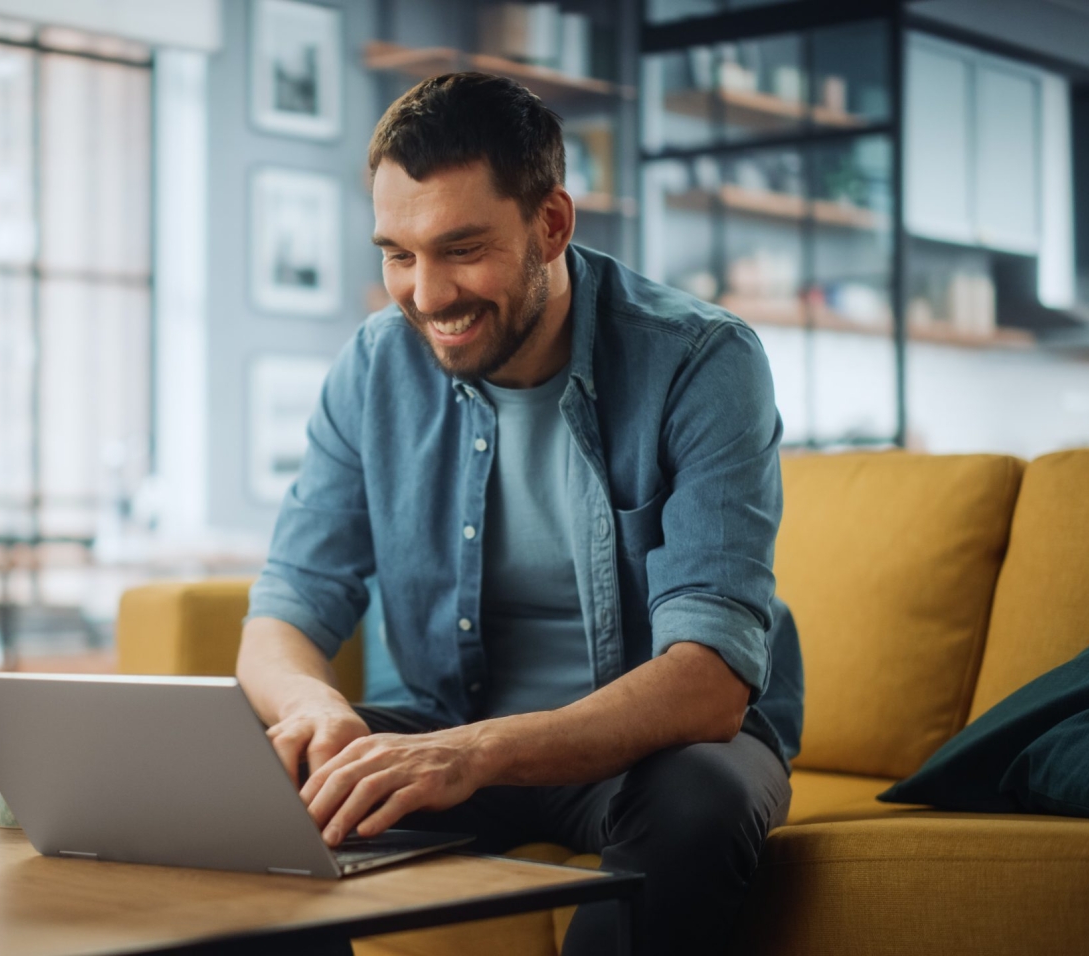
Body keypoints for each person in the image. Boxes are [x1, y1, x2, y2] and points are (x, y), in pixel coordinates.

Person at [236, 72, 803, 956]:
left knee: (703, 806)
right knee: (244, 795)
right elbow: (283, 613)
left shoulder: (701, 362)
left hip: (651, 751)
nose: (425, 295)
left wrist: (474, 754)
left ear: (552, 224)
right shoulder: (374, 367)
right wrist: (317, 710)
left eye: (461, 249)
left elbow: (709, 679)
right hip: (446, 727)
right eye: (397, 253)